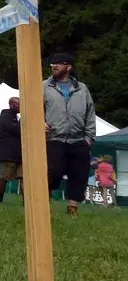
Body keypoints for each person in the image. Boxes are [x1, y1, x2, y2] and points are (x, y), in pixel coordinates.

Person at [43, 52, 96, 216]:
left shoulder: (82, 88)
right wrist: (39, 122)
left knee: (79, 174)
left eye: (59, 63)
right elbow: (32, 107)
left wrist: (89, 138)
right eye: (52, 63)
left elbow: (90, 113)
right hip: (54, 138)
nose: (54, 66)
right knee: (53, 172)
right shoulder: (44, 86)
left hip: (78, 139)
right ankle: (46, 203)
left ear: (69, 67)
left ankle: (73, 207)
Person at [0, 96, 23, 204]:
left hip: (19, 154)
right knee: (4, 178)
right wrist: (22, 121)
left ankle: (26, 203)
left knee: (23, 178)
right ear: (12, 105)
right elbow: (15, 129)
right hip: (8, 154)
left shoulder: (16, 117)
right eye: (18, 104)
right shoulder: (5, 116)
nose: (21, 107)